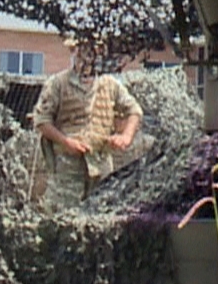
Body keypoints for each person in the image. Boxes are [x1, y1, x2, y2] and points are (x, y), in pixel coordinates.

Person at [30, 37, 143, 212]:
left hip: (101, 165)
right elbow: (42, 121)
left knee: (102, 217)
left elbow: (134, 110)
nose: (89, 56)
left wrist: (126, 137)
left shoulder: (110, 85)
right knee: (62, 219)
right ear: (75, 52)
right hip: (68, 169)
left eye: (94, 51)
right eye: (84, 50)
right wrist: (65, 141)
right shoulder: (58, 83)